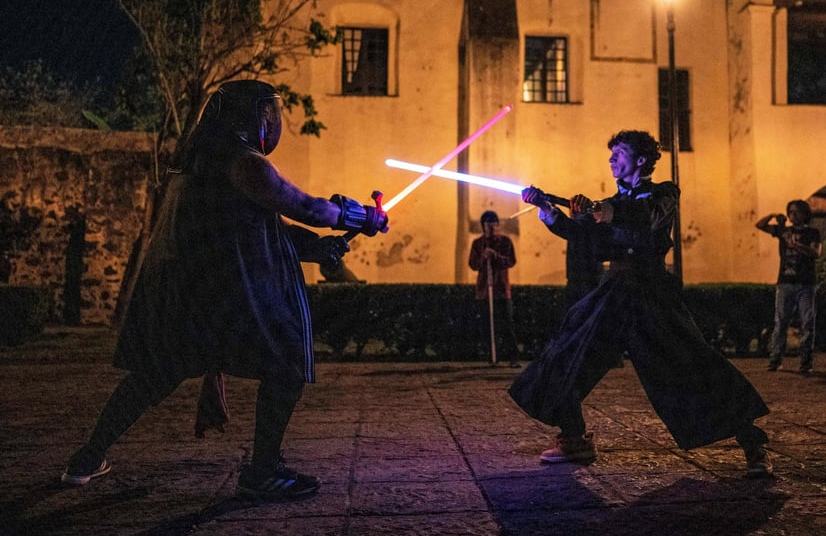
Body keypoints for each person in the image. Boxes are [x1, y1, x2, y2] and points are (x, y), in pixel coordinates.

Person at [59, 80, 389, 500]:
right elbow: (303, 206)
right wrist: (359, 216)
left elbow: (265, 226)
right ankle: (263, 472)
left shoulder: (198, 160)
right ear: (251, 116)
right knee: (287, 361)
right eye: (270, 113)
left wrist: (317, 247)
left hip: (190, 289)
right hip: (223, 293)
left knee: (154, 375)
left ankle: (87, 458)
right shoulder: (243, 161)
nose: (274, 122)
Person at [512, 130, 772, 477]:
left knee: (692, 365)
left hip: (651, 293)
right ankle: (574, 437)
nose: (611, 159)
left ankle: (753, 444)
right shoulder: (611, 203)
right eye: (611, 154)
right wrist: (549, 211)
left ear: (640, 160)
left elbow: (644, 217)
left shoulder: (665, 193)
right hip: (615, 292)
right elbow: (586, 236)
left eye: (618, 152)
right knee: (568, 355)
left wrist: (601, 210)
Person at [756, 199, 823, 373]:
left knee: (808, 322)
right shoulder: (783, 231)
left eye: (796, 212)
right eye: (790, 212)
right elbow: (760, 225)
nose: (792, 215)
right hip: (785, 282)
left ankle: (806, 362)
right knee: (780, 322)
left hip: (806, 284)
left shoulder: (813, 233)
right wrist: (772, 216)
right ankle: (775, 359)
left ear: (804, 214)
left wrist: (797, 245)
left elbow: (816, 253)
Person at [468, 210, 521, 366]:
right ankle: (492, 357)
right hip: (484, 290)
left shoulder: (505, 242)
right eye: (487, 224)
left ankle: (513, 357)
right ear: (483, 226)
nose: (491, 227)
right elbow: (473, 264)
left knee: (506, 325)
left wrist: (496, 256)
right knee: (487, 326)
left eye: (493, 224)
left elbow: (511, 261)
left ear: (497, 225)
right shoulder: (478, 244)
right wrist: (483, 257)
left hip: (501, 290)